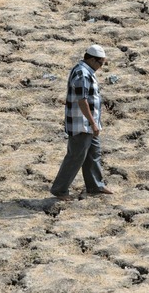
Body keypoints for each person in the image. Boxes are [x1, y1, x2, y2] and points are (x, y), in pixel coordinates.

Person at [50, 44, 114, 201]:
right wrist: (92, 123)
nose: (101, 67)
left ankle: (95, 186)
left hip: (89, 124)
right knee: (76, 156)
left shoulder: (86, 71)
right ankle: (60, 190)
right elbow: (82, 100)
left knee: (93, 153)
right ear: (92, 59)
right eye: (100, 63)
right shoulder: (82, 74)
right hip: (82, 124)